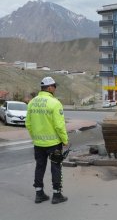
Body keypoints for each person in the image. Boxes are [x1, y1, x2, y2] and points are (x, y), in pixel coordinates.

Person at [25, 76, 69, 204]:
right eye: (54, 86)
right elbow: (59, 126)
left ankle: (39, 194)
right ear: (49, 87)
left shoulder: (32, 102)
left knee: (40, 167)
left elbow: (28, 123)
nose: (55, 89)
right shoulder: (55, 103)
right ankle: (57, 195)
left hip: (38, 143)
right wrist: (65, 140)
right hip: (54, 143)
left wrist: (35, 137)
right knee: (56, 167)